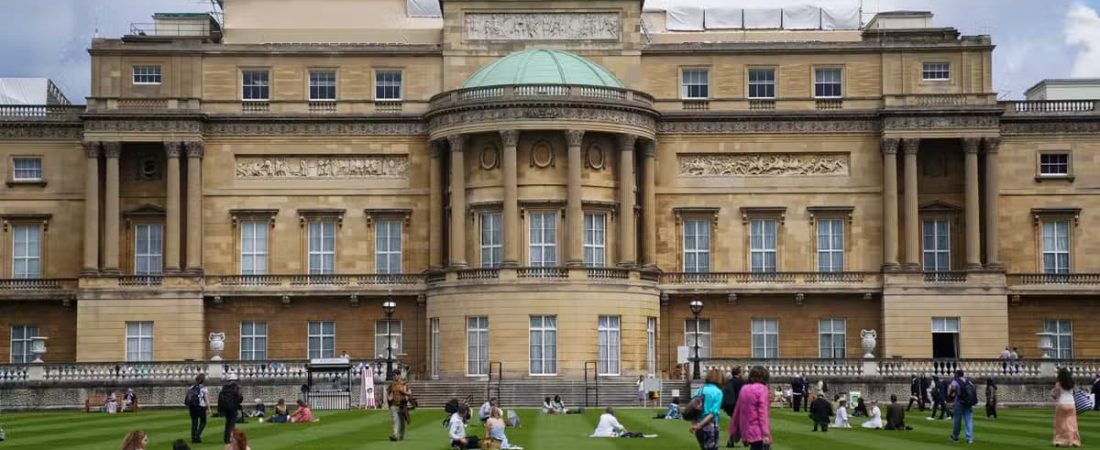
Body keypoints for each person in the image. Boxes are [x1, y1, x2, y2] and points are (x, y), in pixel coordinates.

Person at [729, 366, 771, 450]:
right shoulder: (762, 389)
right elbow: (762, 413)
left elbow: (737, 411)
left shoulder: (744, 388)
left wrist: (733, 429)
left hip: (746, 429)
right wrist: (766, 434)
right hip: (758, 430)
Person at [1052, 367, 1082, 447]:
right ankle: (1074, 441)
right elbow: (1075, 393)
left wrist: (1053, 394)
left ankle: (1058, 440)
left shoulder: (1058, 384)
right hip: (1071, 404)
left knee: (1059, 424)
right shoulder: (1072, 383)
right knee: (1072, 424)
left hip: (1061, 403)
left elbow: (1055, 395)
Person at [948, 369, 975, 444]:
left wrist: (949, 397)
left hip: (959, 401)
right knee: (968, 420)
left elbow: (952, 389)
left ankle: (955, 436)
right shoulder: (968, 381)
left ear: (957, 374)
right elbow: (973, 388)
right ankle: (969, 438)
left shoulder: (955, 381)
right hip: (968, 402)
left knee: (957, 420)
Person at [218, 375, 244, 445]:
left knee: (228, 422)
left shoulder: (224, 387)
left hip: (225, 407)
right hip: (233, 406)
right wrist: (238, 403)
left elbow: (220, 397)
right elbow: (240, 396)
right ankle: (229, 439)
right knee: (231, 423)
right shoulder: (237, 386)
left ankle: (226, 438)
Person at [186, 374, 209, 444]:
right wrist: (209, 408)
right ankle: (197, 435)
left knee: (194, 423)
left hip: (192, 407)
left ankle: (194, 438)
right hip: (200, 406)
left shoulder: (191, 387)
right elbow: (206, 399)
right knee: (203, 422)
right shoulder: (204, 388)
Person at [388, 371, 411, 441]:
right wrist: (389, 398)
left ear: (399, 375)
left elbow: (409, 393)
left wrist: (403, 392)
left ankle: (401, 435)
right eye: (393, 375)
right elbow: (389, 393)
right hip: (394, 405)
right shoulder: (392, 385)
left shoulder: (404, 384)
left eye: (395, 375)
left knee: (402, 422)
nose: (394, 377)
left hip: (402, 405)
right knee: (395, 420)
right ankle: (395, 435)